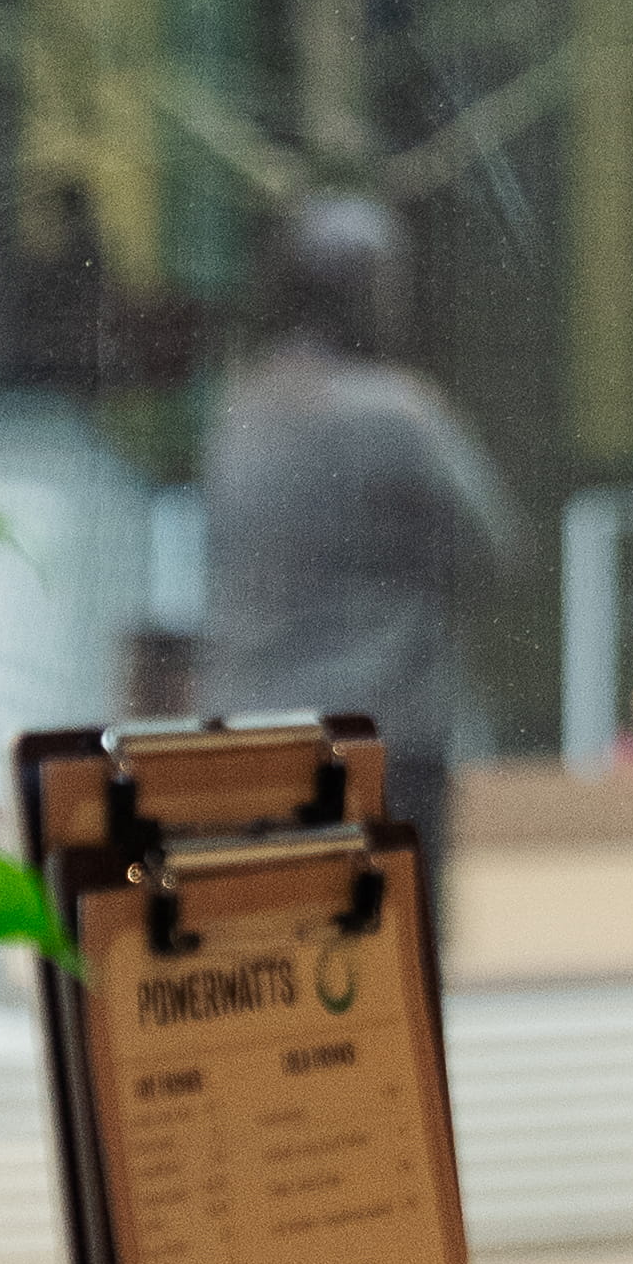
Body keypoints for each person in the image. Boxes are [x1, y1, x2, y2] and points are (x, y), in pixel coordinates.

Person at [198, 194, 513, 857]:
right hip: (382, 733)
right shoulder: (400, 415)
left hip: (255, 731)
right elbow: (494, 548)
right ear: (364, 292)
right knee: (392, 945)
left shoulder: (240, 408)